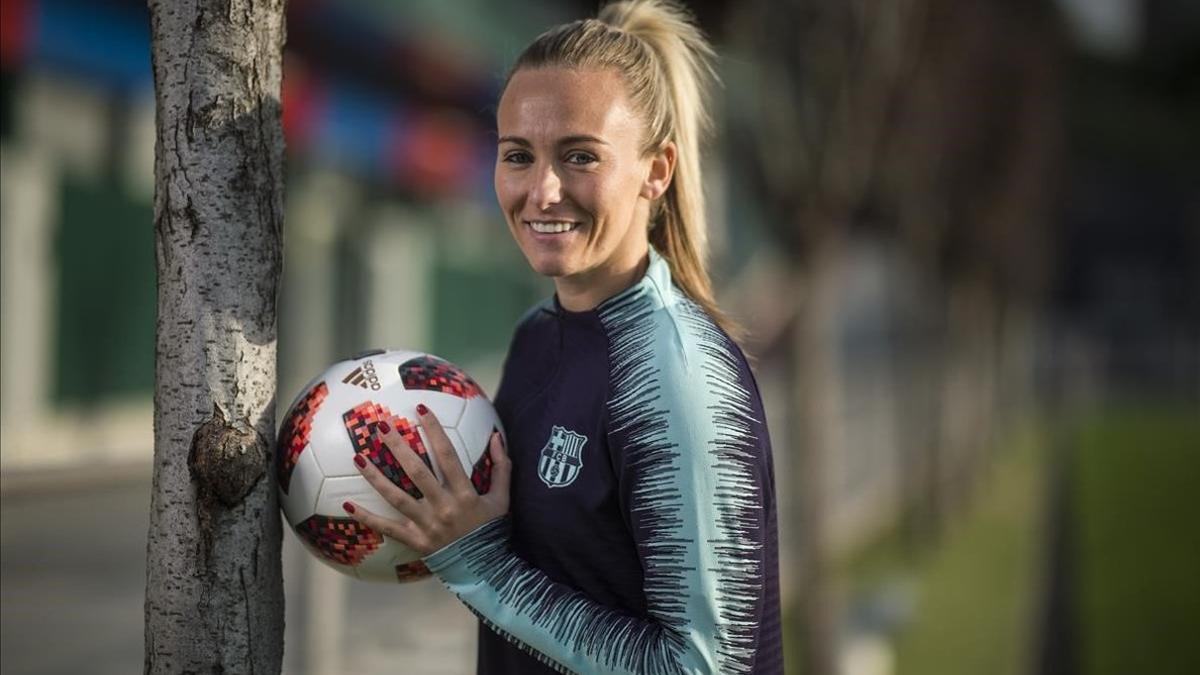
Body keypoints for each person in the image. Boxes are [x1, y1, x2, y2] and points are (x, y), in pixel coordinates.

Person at [343, 1, 782, 672]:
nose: (543, 191)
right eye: (518, 155)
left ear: (656, 171)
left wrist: (478, 565)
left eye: (579, 156)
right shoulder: (535, 338)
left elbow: (700, 665)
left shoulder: (676, 373)